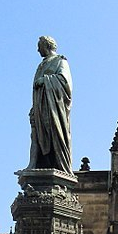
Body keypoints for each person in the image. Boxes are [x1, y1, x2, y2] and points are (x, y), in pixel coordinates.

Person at [28, 35, 73, 173]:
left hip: (54, 109)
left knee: (55, 134)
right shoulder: (41, 64)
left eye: (39, 46)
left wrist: (45, 80)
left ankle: (57, 164)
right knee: (36, 135)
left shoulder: (60, 61)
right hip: (40, 106)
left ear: (46, 46)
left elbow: (65, 82)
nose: (37, 50)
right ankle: (34, 164)